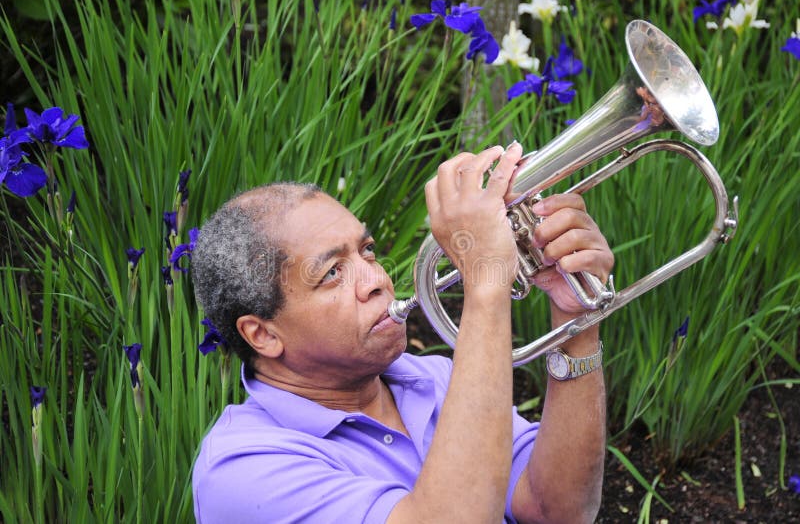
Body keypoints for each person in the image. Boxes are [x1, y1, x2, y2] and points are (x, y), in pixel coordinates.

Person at [191, 142, 614, 523]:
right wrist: (486, 282)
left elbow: (556, 509)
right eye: (332, 273)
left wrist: (575, 318)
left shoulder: (433, 378)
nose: (376, 279)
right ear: (262, 335)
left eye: (367, 250)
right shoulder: (242, 468)